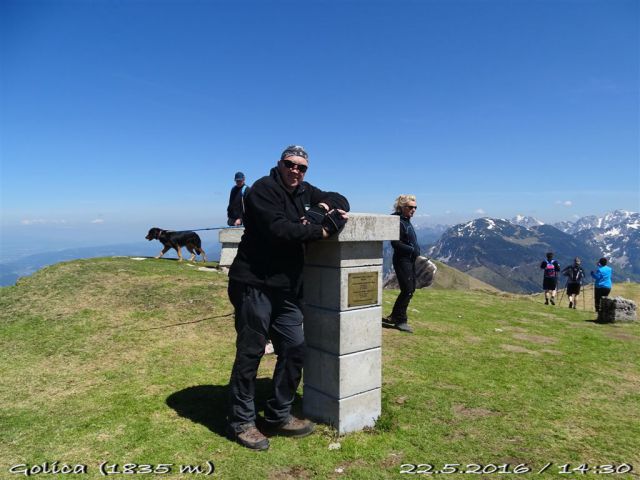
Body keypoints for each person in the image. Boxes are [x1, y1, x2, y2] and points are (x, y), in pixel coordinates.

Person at [226, 145, 349, 450]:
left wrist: (319, 211)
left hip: (286, 288)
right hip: (253, 283)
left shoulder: (305, 190)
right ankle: (242, 420)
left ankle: (278, 414)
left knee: (295, 347)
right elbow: (280, 230)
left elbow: (340, 199)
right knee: (251, 351)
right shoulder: (261, 191)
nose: (296, 170)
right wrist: (321, 233)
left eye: (302, 167)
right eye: (290, 164)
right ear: (279, 164)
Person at [383, 194, 420, 333]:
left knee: (410, 289)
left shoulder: (405, 220)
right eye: (411, 207)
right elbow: (395, 243)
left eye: (415, 207)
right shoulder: (397, 221)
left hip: (409, 260)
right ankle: (401, 320)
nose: (414, 210)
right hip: (402, 260)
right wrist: (412, 250)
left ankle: (394, 316)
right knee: (408, 289)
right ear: (402, 207)